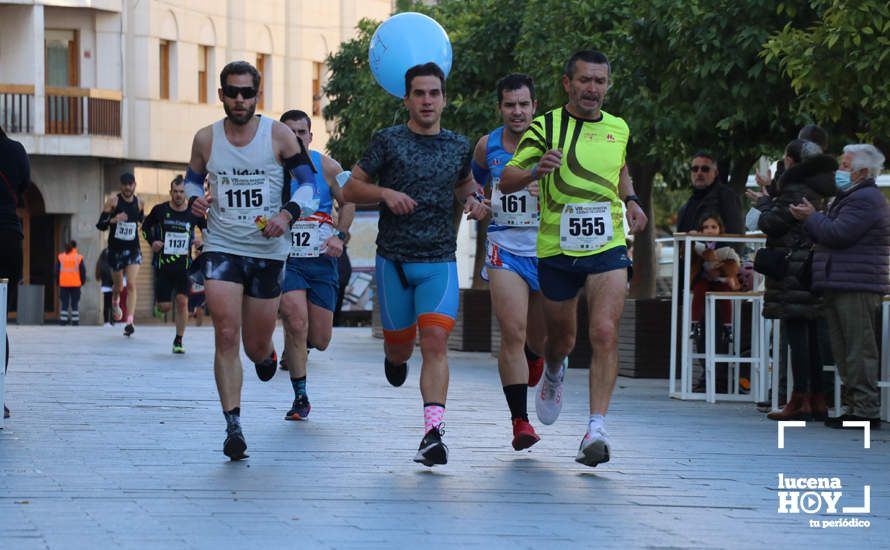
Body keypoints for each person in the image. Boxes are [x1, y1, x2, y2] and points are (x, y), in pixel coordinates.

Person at [499, 50, 648, 468]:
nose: (592, 89)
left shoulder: (618, 128)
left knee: (603, 332)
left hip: (608, 247)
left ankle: (595, 429)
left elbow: (619, 169)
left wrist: (631, 199)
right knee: (560, 340)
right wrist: (534, 171)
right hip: (557, 250)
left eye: (600, 81)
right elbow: (508, 178)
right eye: (585, 80)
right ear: (568, 83)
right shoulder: (544, 127)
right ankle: (553, 369)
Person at [342, 62, 488, 466]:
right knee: (401, 348)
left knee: (436, 344)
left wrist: (473, 201)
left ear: (443, 99)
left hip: (439, 262)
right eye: (419, 94)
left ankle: (432, 433)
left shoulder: (458, 145)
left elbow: (463, 184)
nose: (427, 101)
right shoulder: (387, 141)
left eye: (434, 94)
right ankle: (394, 360)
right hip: (395, 262)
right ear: (406, 99)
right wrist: (385, 193)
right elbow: (349, 187)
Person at [184, 60, 317, 460]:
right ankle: (233, 426)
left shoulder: (278, 135)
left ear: (257, 96)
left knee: (254, 344)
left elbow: (310, 183)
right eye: (232, 92)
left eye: (247, 92)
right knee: (225, 333)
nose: (239, 99)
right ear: (221, 94)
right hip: (222, 246)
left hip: (267, 251)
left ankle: (267, 353)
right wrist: (194, 197)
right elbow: (191, 178)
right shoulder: (206, 138)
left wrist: (286, 215)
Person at [472, 73, 547, 451]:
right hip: (505, 247)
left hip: (548, 248)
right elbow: (472, 183)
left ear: (535, 105)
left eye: (523, 104)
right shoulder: (488, 146)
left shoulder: (552, 143)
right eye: (509, 105)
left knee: (540, 337)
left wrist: (546, 188)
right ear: (500, 107)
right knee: (512, 334)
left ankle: (537, 355)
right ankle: (520, 422)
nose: (517, 112)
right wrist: (477, 202)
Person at [790, 143, 890, 429]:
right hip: (842, 280)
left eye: (845, 166)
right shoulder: (851, 197)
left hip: (856, 285)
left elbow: (838, 233)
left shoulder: (866, 199)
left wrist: (812, 217)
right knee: (846, 349)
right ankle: (854, 407)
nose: (839, 171)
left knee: (858, 350)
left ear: (862, 172)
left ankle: (865, 409)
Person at [277, 109, 355, 421]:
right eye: (289, 132)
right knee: (296, 322)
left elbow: (350, 199)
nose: (296, 137)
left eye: (301, 132)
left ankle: (297, 347)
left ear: (311, 136)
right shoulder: (271, 168)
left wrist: (340, 235)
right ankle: (300, 397)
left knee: (320, 339)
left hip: (322, 259)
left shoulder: (328, 166)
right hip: (286, 259)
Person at [751, 139, 837, 421]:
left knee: (798, 336)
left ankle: (799, 399)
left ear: (791, 161)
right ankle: (817, 399)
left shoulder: (796, 188)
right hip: (811, 267)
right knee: (812, 336)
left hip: (792, 271)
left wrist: (764, 203)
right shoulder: (820, 186)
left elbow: (772, 222)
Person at [141, 175, 207, 353]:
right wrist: (153, 242)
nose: (178, 195)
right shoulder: (160, 210)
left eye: (182, 192)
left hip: (184, 267)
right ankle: (160, 304)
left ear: (186, 193)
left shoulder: (194, 212)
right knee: (164, 307)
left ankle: (178, 340)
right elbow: (145, 228)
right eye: (175, 192)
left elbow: (207, 230)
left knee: (182, 301)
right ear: (170, 192)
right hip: (164, 266)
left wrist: (202, 243)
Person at [0, 123, 30, 419]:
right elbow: (23, 186)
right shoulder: (16, 151)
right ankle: (0, 396)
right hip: (8, 238)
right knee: (0, 322)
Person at [96, 172, 145, 337]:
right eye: (124, 185)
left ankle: (129, 321)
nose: (127, 188)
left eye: (130, 184)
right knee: (118, 286)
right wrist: (113, 220)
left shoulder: (140, 202)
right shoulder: (113, 202)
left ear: (134, 185)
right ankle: (115, 300)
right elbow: (100, 225)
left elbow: (141, 221)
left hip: (133, 249)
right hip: (116, 251)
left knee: (131, 284)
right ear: (121, 186)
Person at [689, 213, 741, 350]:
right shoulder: (697, 244)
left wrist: (722, 268)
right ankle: (694, 325)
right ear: (700, 231)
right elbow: (689, 257)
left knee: (725, 294)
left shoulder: (725, 245)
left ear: (720, 229)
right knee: (699, 292)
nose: (710, 230)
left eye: (713, 227)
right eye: (706, 227)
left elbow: (734, 264)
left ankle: (728, 328)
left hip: (720, 278)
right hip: (703, 277)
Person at [676, 152, 743, 234]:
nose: (699, 173)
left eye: (705, 169)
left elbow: (736, 238)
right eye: (695, 169)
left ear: (715, 173)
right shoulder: (685, 207)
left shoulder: (727, 197)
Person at [56, 240, 86, 325]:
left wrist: (58, 281)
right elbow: (82, 271)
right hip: (75, 284)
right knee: (75, 303)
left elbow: (57, 271)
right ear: (75, 247)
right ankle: (75, 321)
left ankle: (63, 321)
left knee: (64, 303)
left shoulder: (61, 257)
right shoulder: (78, 257)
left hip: (64, 284)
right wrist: (82, 281)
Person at [95, 248, 115, 326]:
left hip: (105, 287)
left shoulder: (100, 263)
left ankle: (106, 322)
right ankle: (112, 321)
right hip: (112, 286)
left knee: (106, 305)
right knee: (113, 305)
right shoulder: (110, 264)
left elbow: (98, 276)